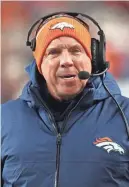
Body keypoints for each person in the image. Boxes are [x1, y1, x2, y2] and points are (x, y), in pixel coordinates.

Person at [1, 12, 129, 187]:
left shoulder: (125, 116)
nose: (66, 61)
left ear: (93, 59)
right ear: (39, 65)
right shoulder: (4, 120)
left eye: (76, 50)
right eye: (54, 52)